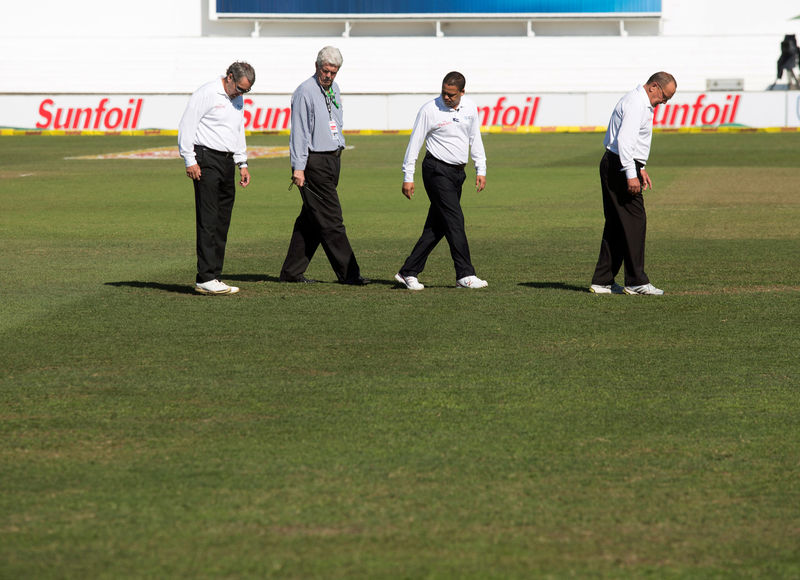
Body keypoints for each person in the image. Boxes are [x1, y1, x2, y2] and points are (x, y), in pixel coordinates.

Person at [279, 46, 369, 285]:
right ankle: (350, 274)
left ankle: (291, 272)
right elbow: (298, 132)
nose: (329, 76)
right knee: (332, 219)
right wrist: (298, 168)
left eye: (333, 72)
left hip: (333, 158)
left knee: (311, 219)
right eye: (325, 70)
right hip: (313, 162)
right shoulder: (304, 92)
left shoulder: (335, 89)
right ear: (317, 66)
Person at [394, 71, 488, 291]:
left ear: (462, 92)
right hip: (436, 170)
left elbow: (475, 139)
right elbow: (414, 143)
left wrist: (480, 169)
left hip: (458, 174)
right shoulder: (429, 109)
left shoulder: (470, 108)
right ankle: (465, 274)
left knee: (437, 227)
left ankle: (408, 271)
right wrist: (408, 176)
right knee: (455, 220)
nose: (446, 97)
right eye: (444, 92)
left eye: (452, 94)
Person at [589, 71, 676, 296]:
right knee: (636, 221)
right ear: (653, 86)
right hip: (620, 165)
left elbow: (634, 141)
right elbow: (625, 141)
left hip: (619, 163)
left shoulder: (640, 101)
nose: (664, 102)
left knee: (617, 224)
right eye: (664, 96)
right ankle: (636, 281)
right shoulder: (637, 104)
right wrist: (631, 174)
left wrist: (641, 167)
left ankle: (603, 281)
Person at [178, 62, 255, 295]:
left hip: (227, 161)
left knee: (223, 219)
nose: (241, 94)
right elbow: (186, 125)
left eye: (246, 91)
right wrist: (189, 160)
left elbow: (237, 130)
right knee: (208, 218)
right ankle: (205, 276)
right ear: (230, 77)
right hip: (206, 158)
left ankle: (215, 275)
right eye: (240, 89)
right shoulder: (207, 93)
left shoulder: (237, 98)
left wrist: (242, 162)